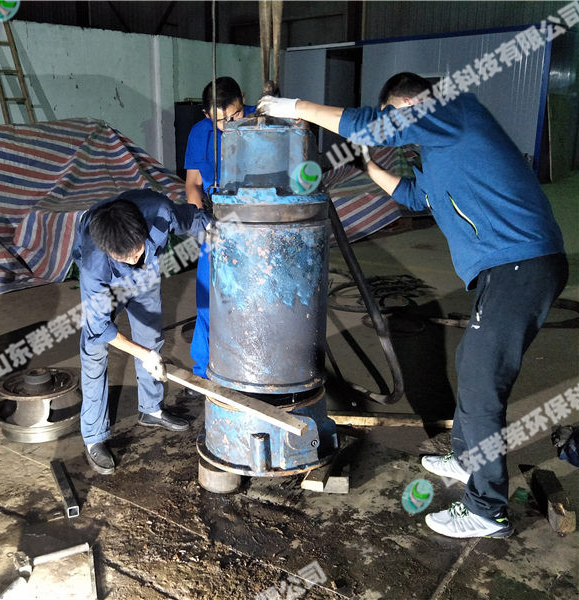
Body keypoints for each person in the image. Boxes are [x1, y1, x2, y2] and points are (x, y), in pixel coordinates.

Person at [258, 72, 566, 539]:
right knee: (471, 363)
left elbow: (374, 125)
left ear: (406, 105)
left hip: (522, 263)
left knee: (482, 381)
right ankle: (468, 459)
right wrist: (367, 165)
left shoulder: (455, 110)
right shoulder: (441, 150)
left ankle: (488, 509)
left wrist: (294, 107)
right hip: (506, 267)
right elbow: (414, 197)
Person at [72, 189, 210, 474]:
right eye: (125, 258)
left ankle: (151, 409)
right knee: (95, 353)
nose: (133, 260)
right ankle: (94, 437)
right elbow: (99, 327)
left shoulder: (160, 211)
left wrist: (221, 232)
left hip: (146, 279)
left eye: (137, 251)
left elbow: (194, 219)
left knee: (151, 336)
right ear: (109, 252)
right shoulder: (94, 265)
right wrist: (144, 355)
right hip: (109, 289)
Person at [184, 77, 255, 379]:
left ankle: (251, 367)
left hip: (257, 222)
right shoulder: (200, 133)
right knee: (209, 299)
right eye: (220, 120)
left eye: (236, 114)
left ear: (243, 99)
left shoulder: (265, 121)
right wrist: (202, 224)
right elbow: (192, 184)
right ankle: (203, 371)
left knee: (254, 297)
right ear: (206, 114)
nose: (229, 124)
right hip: (216, 222)